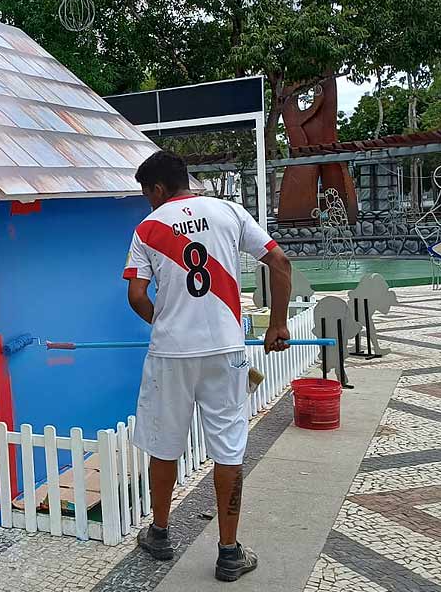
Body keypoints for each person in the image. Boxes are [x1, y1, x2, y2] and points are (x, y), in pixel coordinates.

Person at [123, 150, 292, 583]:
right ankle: (229, 553)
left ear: (158, 189)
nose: (148, 202)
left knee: (164, 446)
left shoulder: (148, 228)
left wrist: (164, 323)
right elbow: (279, 262)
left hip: (170, 355)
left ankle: (160, 534)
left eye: (147, 194)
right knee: (229, 450)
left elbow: (137, 295)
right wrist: (277, 324)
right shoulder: (229, 212)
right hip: (225, 351)